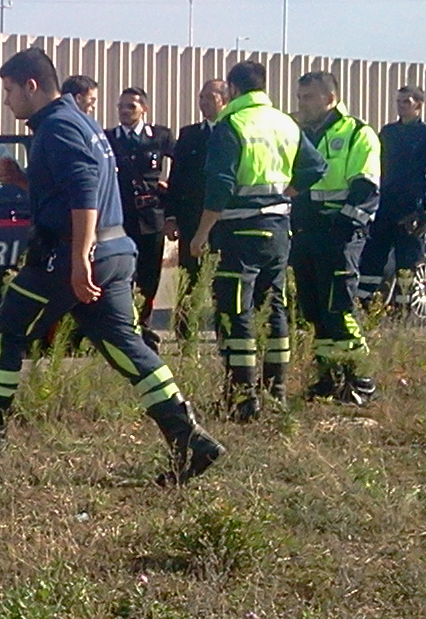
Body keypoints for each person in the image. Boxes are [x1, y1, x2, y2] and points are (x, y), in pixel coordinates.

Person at [0, 48, 222, 484]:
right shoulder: (82, 123)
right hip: (114, 251)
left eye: (9, 90)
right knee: (121, 342)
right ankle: (189, 438)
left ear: (31, 86)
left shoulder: (57, 127)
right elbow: (70, 181)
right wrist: (22, 180)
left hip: (69, 257)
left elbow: (84, 189)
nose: (6, 100)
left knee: (5, 331)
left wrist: (78, 259)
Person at [185, 61, 326, 423]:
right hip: (279, 228)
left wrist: (201, 232)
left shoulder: (232, 124)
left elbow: (219, 184)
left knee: (237, 310)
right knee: (274, 306)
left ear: (232, 89)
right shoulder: (285, 122)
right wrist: (283, 194)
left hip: (239, 229)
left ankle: (242, 398)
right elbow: (315, 167)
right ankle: (274, 392)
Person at [290, 71, 381, 404]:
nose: (302, 104)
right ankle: (329, 378)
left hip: (339, 230)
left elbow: (366, 187)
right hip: (305, 228)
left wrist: (343, 226)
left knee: (339, 307)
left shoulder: (357, 132)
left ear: (331, 98)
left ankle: (361, 377)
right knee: (314, 311)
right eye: (300, 97)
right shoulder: (297, 133)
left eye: (309, 97)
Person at [359, 84, 426, 311]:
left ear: (419, 105)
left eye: (406, 102)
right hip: (385, 206)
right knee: (371, 259)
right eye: (398, 102)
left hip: (411, 210)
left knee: (407, 264)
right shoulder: (388, 133)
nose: (400, 106)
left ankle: (404, 313)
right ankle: (365, 307)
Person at [104, 86, 172, 347]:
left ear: (144, 109)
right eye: (121, 107)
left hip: (151, 216)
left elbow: (181, 169)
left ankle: (143, 324)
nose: (124, 111)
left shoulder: (160, 136)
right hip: (120, 217)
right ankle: (123, 325)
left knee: (149, 275)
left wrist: (169, 198)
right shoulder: (109, 138)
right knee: (121, 274)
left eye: (130, 107)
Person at [163, 79, 227, 274]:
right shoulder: (189, 134)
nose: (203, 102)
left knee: (220, 276)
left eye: (210, 97)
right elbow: (177, 177)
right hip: (191, 217)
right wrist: (171, 217)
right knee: (189, 274)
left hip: (224, 218)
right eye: (201, 97)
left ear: (225, 99)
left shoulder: (233, 131)